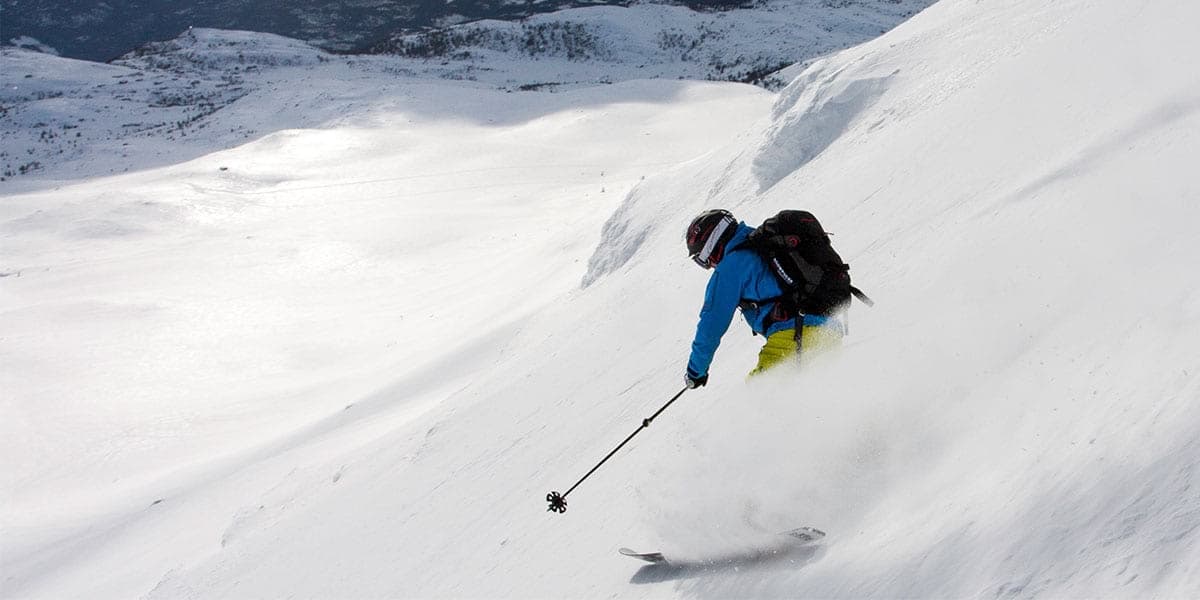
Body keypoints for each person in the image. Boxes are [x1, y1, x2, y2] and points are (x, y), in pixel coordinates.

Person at [683, 209, 845, 389]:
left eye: (703, 260)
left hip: (795, 336)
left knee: (759, 393)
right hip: (828, 330)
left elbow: (711, 324)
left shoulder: (730, 267)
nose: (710, 265)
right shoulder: (761, 243)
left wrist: (695, 371)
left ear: (712, 246)